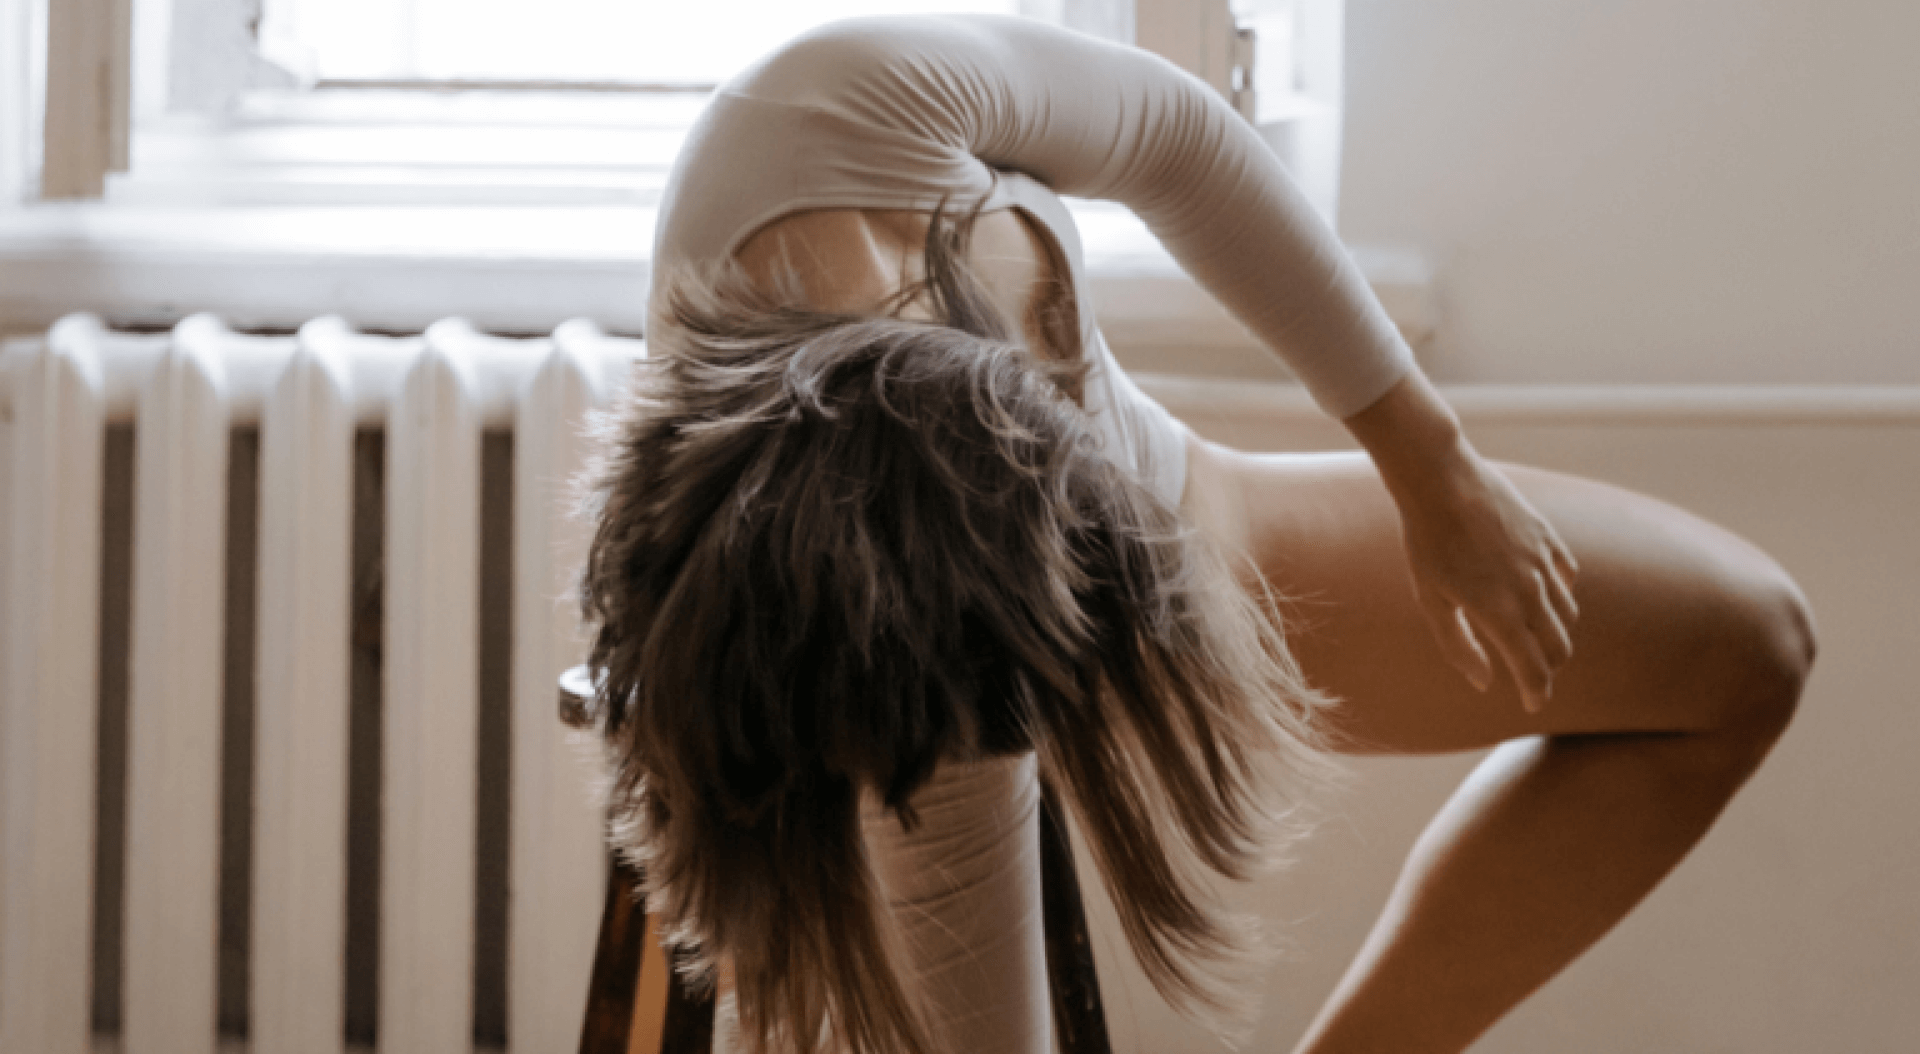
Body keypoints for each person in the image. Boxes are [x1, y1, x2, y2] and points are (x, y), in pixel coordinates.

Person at [577, 14, 1815, 1054]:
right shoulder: (902, 638)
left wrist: (1437, 473)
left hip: (1188, 520)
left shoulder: (835, 103)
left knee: (1744, 643)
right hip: (980, 667)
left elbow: (1174, 139)